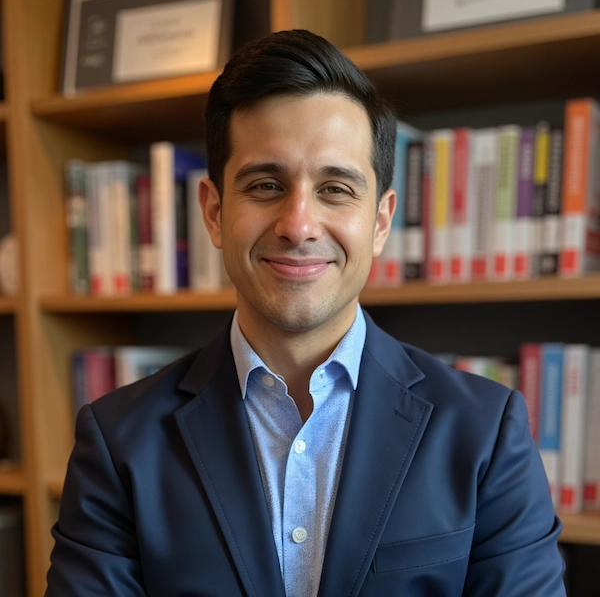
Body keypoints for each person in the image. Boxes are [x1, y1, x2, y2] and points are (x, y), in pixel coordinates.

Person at [46, 30, 566, 597]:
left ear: (381, 220)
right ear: (215, 213)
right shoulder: (119, 440)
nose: (298, 224)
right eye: (266, 185)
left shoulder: (487, 433)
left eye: (336, 189)